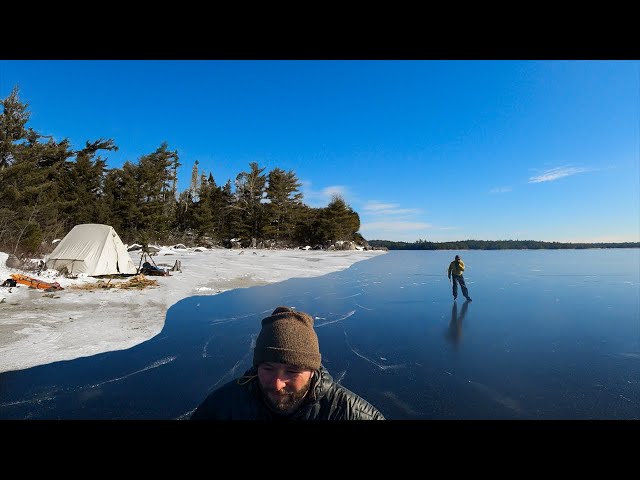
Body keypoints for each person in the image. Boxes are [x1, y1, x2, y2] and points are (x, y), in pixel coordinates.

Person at [190, 306, 386, 420]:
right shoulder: (222, 406)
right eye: (268, 368)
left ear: (312, 371)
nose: (277, 383)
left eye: (292, 371)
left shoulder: (349, 413)